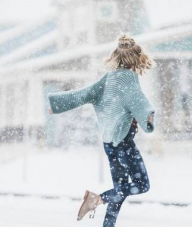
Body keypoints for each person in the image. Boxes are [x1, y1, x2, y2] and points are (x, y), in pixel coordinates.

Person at [47, 34, 156, 227]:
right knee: (141, 185)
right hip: (124, 144)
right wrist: (148, 116)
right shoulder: (129, 80)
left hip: (109, 144)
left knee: (120, 190)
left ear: (116, 56)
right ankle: (96, 200)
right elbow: (140, 103)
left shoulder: (107, 79)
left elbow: (83, 94)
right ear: (137, 57)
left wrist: (57, 105)